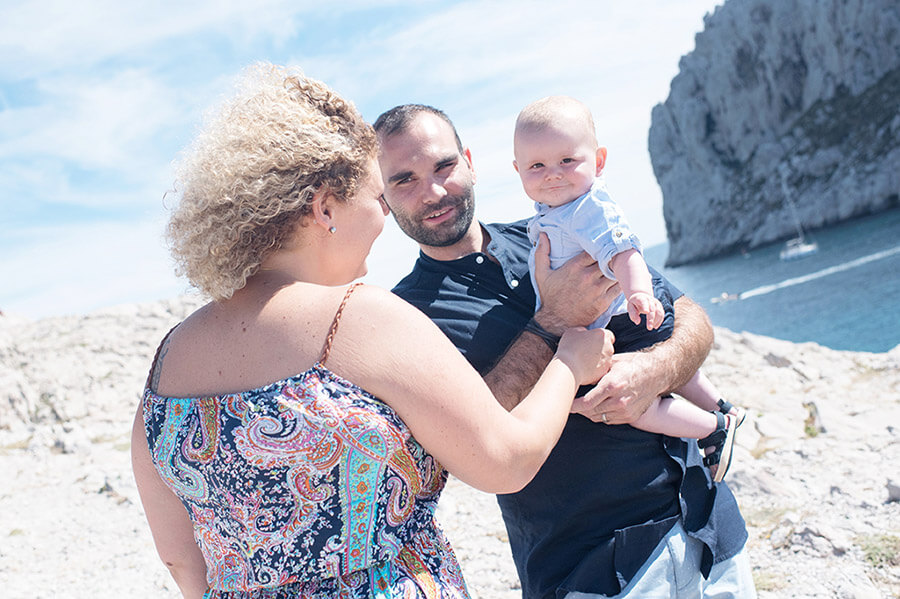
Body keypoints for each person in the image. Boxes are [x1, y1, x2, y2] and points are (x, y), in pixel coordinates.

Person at [131, 63, 615, 599]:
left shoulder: (168, 357)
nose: (384, 217)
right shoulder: (356, 316)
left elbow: (181, 561)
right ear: (325, 209)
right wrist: (570, 359)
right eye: (377, 196)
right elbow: (506, 461)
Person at [374, 103, 757, 598]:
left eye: (444, 166)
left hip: (706, 525)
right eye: (404, 180)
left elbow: (692, 322)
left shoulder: (556, 225)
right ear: (383, 199)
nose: (434, 191)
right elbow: (474, 445)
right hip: (593, 569)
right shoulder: (403, 317)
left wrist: (651, 371)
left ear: (469, 160)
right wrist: (553, 320)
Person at [512, 95, 745, 481]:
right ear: (518, 171)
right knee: (676, 371)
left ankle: (713, 429)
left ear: (598, 161)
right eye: (537, 166)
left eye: (567, 161)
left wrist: (638, 292)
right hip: (621, 315)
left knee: (634, 405)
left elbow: (625, 251)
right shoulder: (551, 212)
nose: (553, 173)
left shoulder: (588, 208)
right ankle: (724, 407)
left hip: (623, 317)